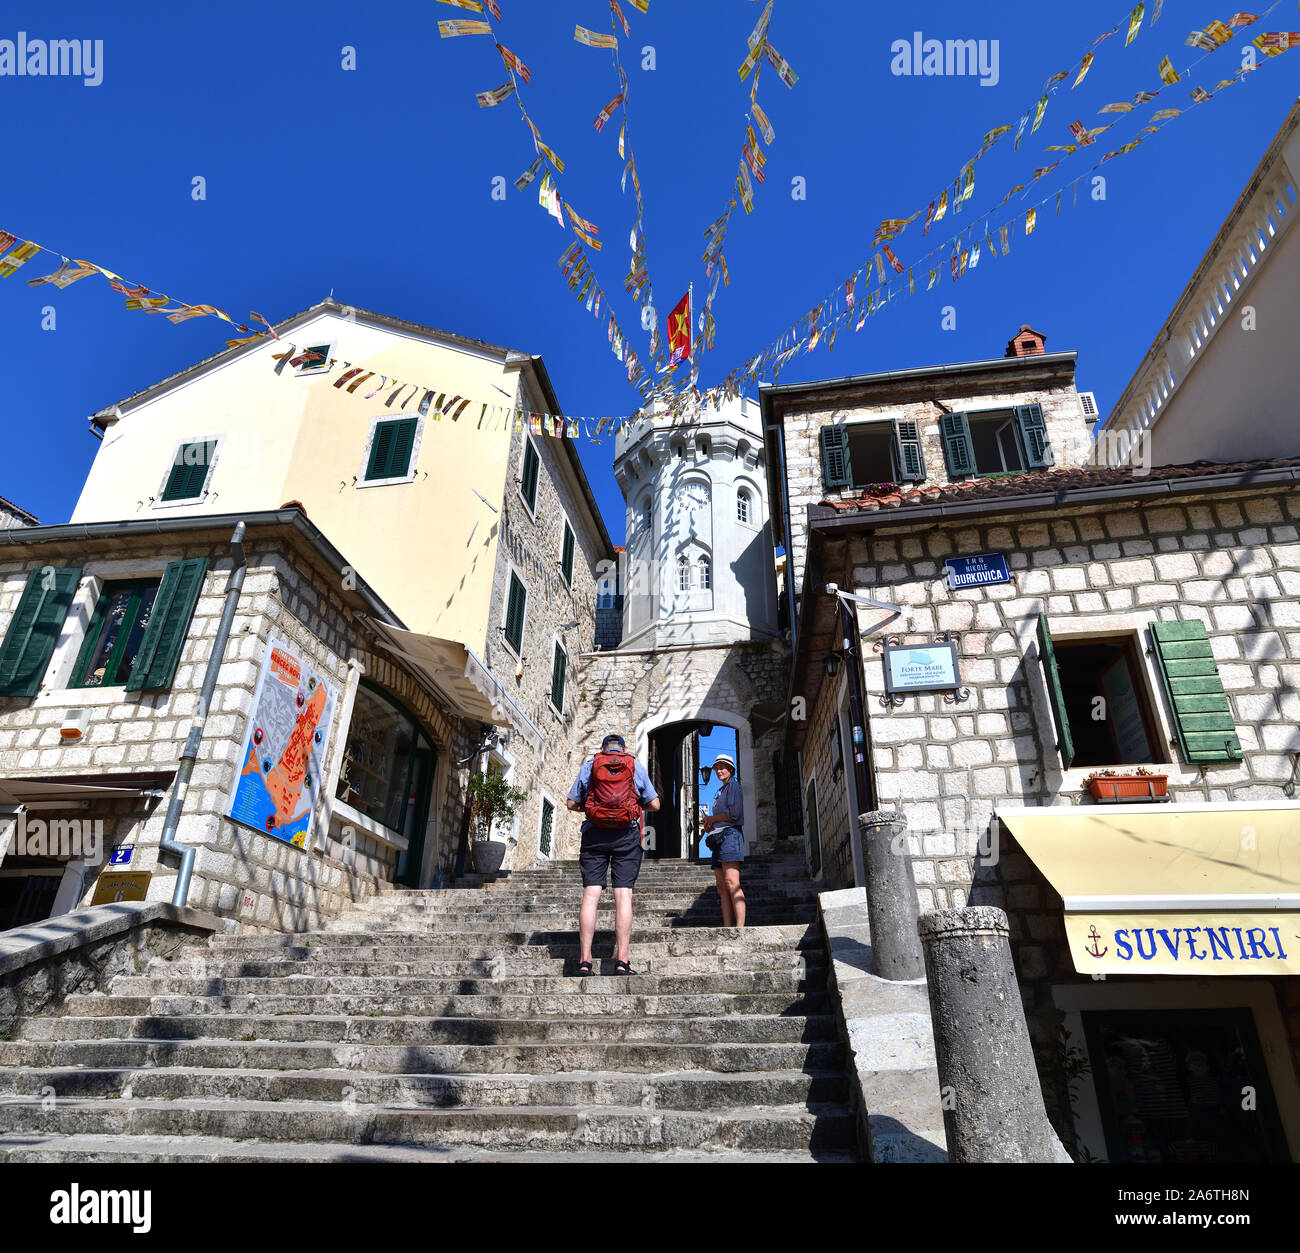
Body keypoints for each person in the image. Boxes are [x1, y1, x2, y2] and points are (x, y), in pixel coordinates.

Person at [565, 733, 660, 975]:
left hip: (594, 834)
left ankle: (585, 961)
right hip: (626, 836)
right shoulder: (633, 765)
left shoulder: (591, 764)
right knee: (623, 896)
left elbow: (570, 803)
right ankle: (622, 961)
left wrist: (592, 808)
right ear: (624, 749)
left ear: (603, 748)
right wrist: (634, 807)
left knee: (591, 894)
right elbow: (655, 804)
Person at [701, 753, 745, 929]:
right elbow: (721, 818)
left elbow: (734, 815)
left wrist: (712, 819)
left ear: (731, 770)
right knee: (721, 886)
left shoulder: (734, 786)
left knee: (732, 882)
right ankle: (727, 926)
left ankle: (740, 928)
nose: (719, 770)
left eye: (722, 767)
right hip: (719, 837)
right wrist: (709, 825)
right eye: (716, 768)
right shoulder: (720, 791)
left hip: (730, 836)